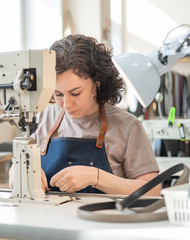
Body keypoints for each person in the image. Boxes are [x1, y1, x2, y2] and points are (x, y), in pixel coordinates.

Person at [9, 34, 161, 196]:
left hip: (104, 219)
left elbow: (152, 191)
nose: (66, 105)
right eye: (58, 94)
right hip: (50, 219)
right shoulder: (42, 118)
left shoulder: (127, 126)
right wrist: (20, 174)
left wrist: (96, 177)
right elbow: (14, 171)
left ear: (97, 84)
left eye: (75, 93)